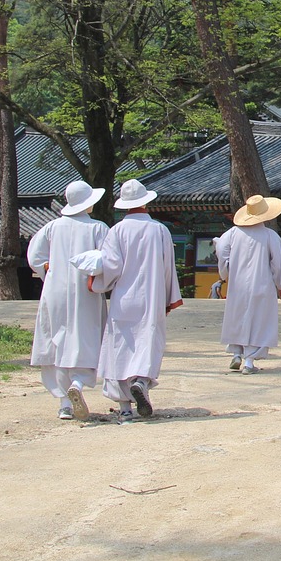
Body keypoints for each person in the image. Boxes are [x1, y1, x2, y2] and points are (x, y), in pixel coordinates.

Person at [91, 179, 183, 421]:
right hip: (151, 297)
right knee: (147, 341)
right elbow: (167, 268)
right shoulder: (160, 230)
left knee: (120, 346)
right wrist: (168, 298)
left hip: (124, 297)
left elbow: (111, 266)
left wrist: (97, 282)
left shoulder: (116, 231)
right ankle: (141, 381)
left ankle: (124, 409)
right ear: (147, 202)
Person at [27, 180, 108, 421]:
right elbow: (108, 259)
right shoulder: (98, 228)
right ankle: (79, 383)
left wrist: (48, 270)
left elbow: (34, 256)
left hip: (55, 290)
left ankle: (63, 402)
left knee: (56, 338)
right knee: (86, 335)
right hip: (86, 290)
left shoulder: (52, 227)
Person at [218, 194, 281, 374]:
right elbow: (278, 263)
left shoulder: (232, 234)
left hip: (237, 285)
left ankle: (236, 353)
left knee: (238, 318)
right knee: (258, 321)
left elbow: (221, 250)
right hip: (262, 284)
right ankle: (249, 362)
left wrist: (226, 272)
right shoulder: (270, 235)